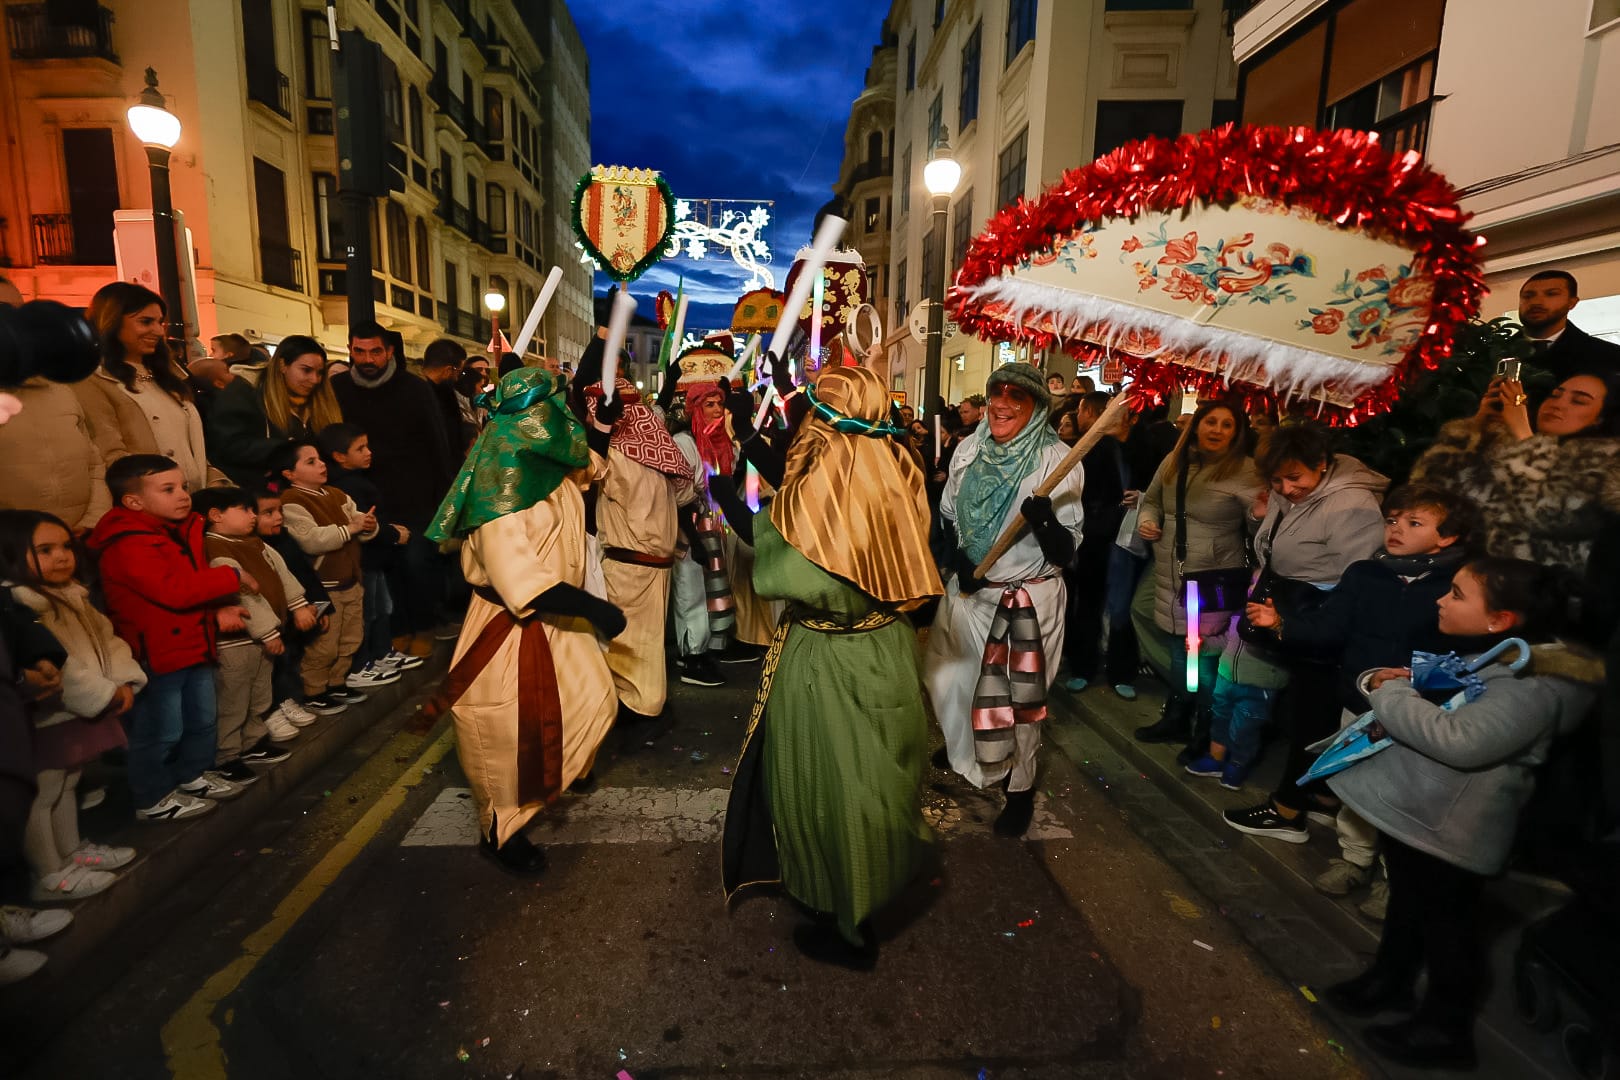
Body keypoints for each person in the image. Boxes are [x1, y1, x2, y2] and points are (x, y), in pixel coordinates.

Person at [1323, 558, 1598, 1070]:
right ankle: (1391, 981)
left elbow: (1461, 740)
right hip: (1427, 817)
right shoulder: (1508, 657)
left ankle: (1445, 1031)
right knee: (1409, 907)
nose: (1440, 600)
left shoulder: (1533, 685)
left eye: (1455, 594)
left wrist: (1391, 692)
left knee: (1449, 933)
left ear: (1500, 620)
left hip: (1456, 828)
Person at [722, 366, 943, 967]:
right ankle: (874, 887)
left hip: (828, 654)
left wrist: (724, 495)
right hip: (888, 645)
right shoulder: (899, 466)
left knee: (827, 785)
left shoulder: (827, 477)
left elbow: (785, 560)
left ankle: (845, 923)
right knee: (878, 779)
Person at [1211, 485, 1476, 906]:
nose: (1396, 529)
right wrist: (1283, 624)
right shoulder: (1366, 574)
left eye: (1414, 523)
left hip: (1420, 711)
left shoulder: (1457, 585)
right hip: (1358, 700)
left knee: (1403, 794)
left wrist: (1425, 679)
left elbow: (1465, 649)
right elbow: (1331, 628)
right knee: (1356, 785)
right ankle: (1355, 858)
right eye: (1392, 520)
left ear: (1447, 537)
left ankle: (1394, 877)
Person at [425, 367, 623, 875]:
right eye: (558, 409)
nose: (566, 418)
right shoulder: (500, 492)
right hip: (510, 627)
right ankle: (501, 827)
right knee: (504, 731)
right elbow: (521, 580)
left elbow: (591, 469)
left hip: (557, 619)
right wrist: (596, 608)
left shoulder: (543, 463)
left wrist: (600, 425)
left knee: (594, 700)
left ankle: (558, 774)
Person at [925, 364, 1084, 837]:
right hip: (971, 593)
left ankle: (1020, 787)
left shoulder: (1058, 460)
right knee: (951, 678)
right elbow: (949, 515)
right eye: (997, 392)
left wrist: (1044, 521)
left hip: (1026, 601)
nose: (1001, 403)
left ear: (1037, 408)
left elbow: (1067, 551)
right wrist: (960, 565)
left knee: (1018, 705)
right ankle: (966, 745)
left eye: (1017, 396)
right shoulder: (970, 447)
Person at [1222, 423, 1389, 843]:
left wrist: (1314, 619)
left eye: (1295, 477)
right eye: (1277, 479)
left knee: (1312, 715)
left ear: (1322, 464)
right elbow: (1275, 542)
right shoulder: (1288, 493)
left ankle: (1288, 810)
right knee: (1308, 709)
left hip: (1322, 619)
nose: (1286, 487)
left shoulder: (1352, 504)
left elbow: (1359, 576)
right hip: (1295, 610)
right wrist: (1261, 515)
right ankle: (1321, 799)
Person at [87, 455, 248, 820]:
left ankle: (191, 774)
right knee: (161, 730)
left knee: (203, 719)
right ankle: (151, 796)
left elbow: (187, 589)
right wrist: (230, 578)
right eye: (169, 489)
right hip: (157, 654)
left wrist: (217, 609)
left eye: (184, 487)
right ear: (133, 501)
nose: (183, 496)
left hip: (192, 643)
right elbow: (174, 590)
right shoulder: (128, 542)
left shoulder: (178, 530)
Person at [0, 510, 140, 901]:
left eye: (65, 546)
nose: (62, 556)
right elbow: (62, 665)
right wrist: (104, 693)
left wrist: (122, 680)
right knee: (44, 792)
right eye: (45, 549)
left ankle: (72, 851)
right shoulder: (22, 604)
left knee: (69, 781)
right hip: (52, 715)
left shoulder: (72, 594)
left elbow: (108, 639)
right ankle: (50, 872)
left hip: (78, 709)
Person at [572, 334, 694, 736]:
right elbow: (686, 491)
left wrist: (602, 429)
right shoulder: (647, 449)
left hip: (638, 568)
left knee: (634, 652)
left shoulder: (625, 453)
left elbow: (583, 476)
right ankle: (634, 712)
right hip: (643, 568)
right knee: (638, 650)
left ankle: (634, 715)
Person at [1131, 401, 1261, 746]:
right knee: (1180, 651)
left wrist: (1260, 513)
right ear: (1197, 425)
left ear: (1238, 433)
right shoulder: (1175, 461)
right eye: (1210, 422)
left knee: (1201, 657)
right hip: (1171, 574)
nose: (1216, 430)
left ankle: (1207, 730)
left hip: (1212, 579)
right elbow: (1153, 500)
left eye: (1226, 424)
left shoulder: (1246, 471)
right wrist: (1148, 521)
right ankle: (1178, 715)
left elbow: (1260, 528)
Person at [330, 322, 459, 659]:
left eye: (375, 351)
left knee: (417, 564)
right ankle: (397, 630)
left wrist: (446, 502)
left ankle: (424, 626)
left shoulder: (415, 389)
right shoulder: (338, 388)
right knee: (382, 569)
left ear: (389, 352)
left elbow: (438, 445)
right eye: (360, 351)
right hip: (363, 498)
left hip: (416, 496)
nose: (367, 358)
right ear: (351, 350)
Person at [1412, 370, 1620, 575]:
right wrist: (1479, 425)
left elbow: (1552, 515)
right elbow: (1427, 495)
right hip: (1465, 578)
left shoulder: (1609, 465)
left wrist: (1524, 437)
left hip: (1539, 591)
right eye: (1555, 395)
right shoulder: (1504, 447)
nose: (1558, 404)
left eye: (1579, 401)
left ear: (1600, 418)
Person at [192, 487, 312, 784]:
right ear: (216, 516)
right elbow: (243, 595)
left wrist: (298, 604)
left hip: (260, 638)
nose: (253, 516)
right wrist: (267, 630)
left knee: (259, 695)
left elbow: (282, 573)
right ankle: (227, 756)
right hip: (238, 641)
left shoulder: (252, 542)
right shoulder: (216, 548)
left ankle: (252, 743)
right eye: (245, 510)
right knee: (234, 700)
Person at [275, 441, 379, 714]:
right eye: (310, 462)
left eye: (320, 459)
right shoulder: (291, 501)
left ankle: (337, 682)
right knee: (324, 645)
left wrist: (368, 525)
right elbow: (311, 540)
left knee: (350, 638)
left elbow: (358, 519)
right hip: (325, 585)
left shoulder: (336, 493)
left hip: (351, 579)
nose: (321, 464)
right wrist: (351, 528)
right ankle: (314, 691)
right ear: (289, 474)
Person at [75, 283, 208, 493]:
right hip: (144, 503)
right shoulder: (94, 380)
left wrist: (217, 484)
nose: (157, 330)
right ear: (112, 322)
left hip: (191, 498)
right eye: (145, 322)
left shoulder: (168, 375)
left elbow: (191, 447)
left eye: (160, 322)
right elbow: (110, 454)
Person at [318, 423, 419, 681]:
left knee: (382, 607)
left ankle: (382, 652)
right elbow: (364, 522)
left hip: (376, 559)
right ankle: (361, 663)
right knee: (366, 613)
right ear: (339, 456)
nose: (368, 452)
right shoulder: (344, 486)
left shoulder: (359, 479)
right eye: (360, 448)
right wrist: (393, 534)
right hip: (363, 559)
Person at [670, 361, 739, 687]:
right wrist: (693, 538)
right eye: (709, 404)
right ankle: (690, 657)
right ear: (694, 407)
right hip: (690, 526)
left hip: (714, 522)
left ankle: (709, 649)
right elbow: (682, 492)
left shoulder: (723, 442)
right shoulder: (685, 443)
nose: (716, 409)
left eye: (719, 404)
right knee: (691, 590)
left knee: (713, 589)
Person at [204, 335, 343, 488]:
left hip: (313, 493)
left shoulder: (321, 400)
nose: (315, 379)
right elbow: (228, 446)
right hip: (259, 493)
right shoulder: (245, 392)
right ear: (283, 365)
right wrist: (283, 451)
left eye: (320, 373)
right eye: (306, 370)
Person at [1062, 392, 1127, 694]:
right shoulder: (1103, 445)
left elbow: (1093, 497)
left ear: (1089, 411)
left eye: (1079, 409)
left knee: (1091, 605)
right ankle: (1101, 667)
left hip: (1096, 539)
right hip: (1103, 537)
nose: (1078, 414)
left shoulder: (1097, 446)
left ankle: (1090, 666)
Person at [251, 490, 328, 726]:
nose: (278, 517)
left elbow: (306, 575)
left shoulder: (285, 539)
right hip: (272, 619)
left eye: (280, 511)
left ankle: (292, 699)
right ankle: (278, 705)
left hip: (298, 613)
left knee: (293, 657)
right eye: (269, 513)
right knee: (276, 665)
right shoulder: (253, 546)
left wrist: (322, 606)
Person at [1513, 270, 1620, 382]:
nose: (1536, 302)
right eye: (1528, 296)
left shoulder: (1608, 356)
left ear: (1572, 302)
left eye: (1551, 294)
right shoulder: (1496, 351)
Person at [421, 338, 476, 454]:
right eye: (459, 371)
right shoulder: (417, 394)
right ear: (448, 370)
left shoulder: (446, 392)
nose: (457, 378)